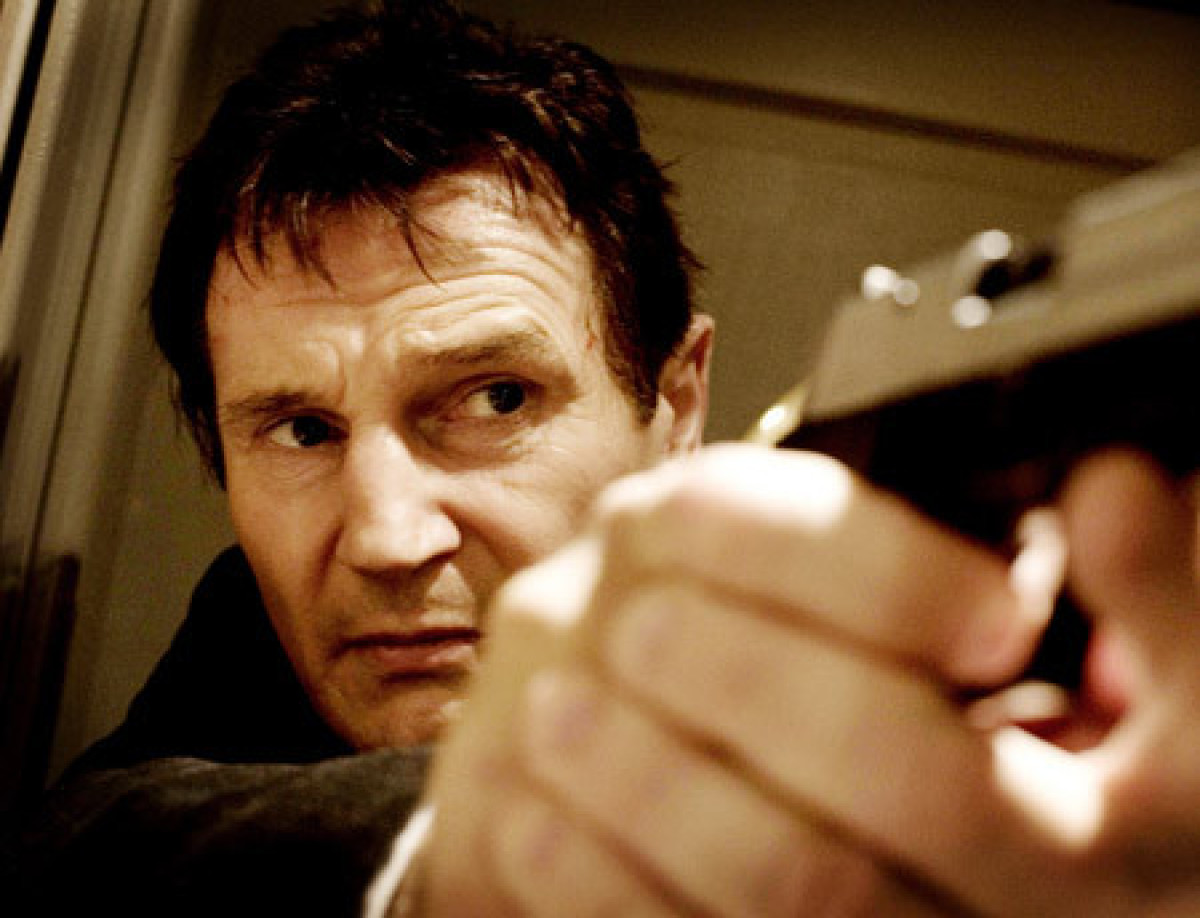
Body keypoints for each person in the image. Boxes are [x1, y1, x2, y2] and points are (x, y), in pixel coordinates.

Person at [7, 2, 1200, 917]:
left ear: (675, 403)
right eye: (302, 430)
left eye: (494, 398)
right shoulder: (234, 664)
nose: (385, 537)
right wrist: (458, 866)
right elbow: (91, 844)